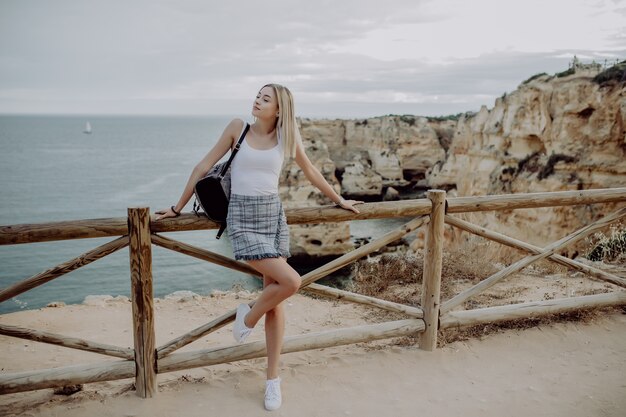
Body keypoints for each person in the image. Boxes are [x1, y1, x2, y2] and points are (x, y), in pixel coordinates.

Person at [155, 84, 362, 411]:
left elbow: (310, 171)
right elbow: (202, 167)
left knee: (277, 301)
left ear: (279, 109)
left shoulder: (286, 136)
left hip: (272, 216)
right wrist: (177, 206)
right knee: (291, 282)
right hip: (242, 216)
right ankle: (248, 318)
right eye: (258, 95)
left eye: (266, 99)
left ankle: (272, 380)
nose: (257, 100)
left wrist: (339, 200)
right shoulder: (237, 128)